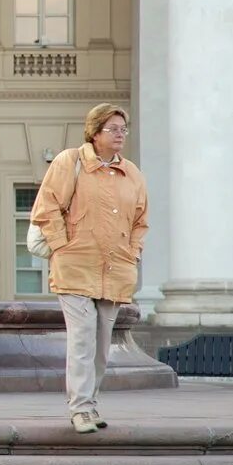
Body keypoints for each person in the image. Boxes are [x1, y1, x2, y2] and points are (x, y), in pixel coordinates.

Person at [30, 103, 147, 434]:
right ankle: (80, 408)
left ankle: (90, 403)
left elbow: (141, 221)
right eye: (113, 128)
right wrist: (61, 246)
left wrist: (133, 252)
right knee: (81, 339)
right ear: (95, 133)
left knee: (101, 344)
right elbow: (46, 206)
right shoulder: (71, 162)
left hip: (115, 270)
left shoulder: (133, 174)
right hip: (75, 267)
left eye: (123, 128)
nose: (120, 134)